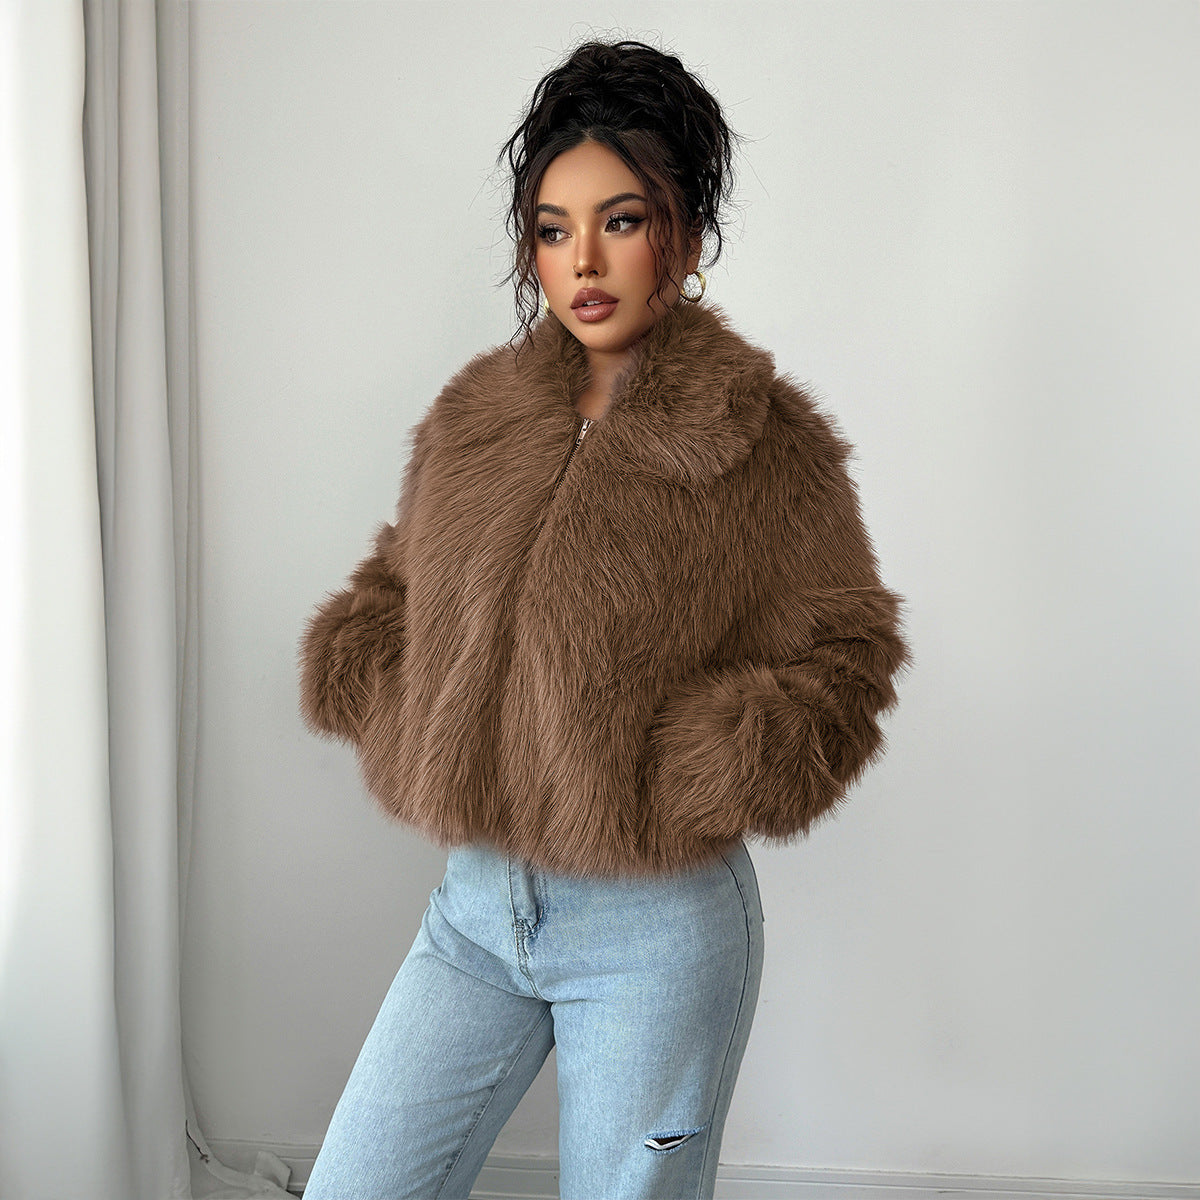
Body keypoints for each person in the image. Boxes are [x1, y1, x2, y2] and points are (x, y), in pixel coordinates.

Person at [297, 38, 910, 1200]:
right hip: (475, 911)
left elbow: (848, 653)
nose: (583, 260)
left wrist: (700, 767)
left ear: (682, 231)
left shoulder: (767, 444)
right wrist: (392, 699)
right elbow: (395, 589)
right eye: (551, 226)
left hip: (656, 930)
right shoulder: (474, 419)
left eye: (621, 219)